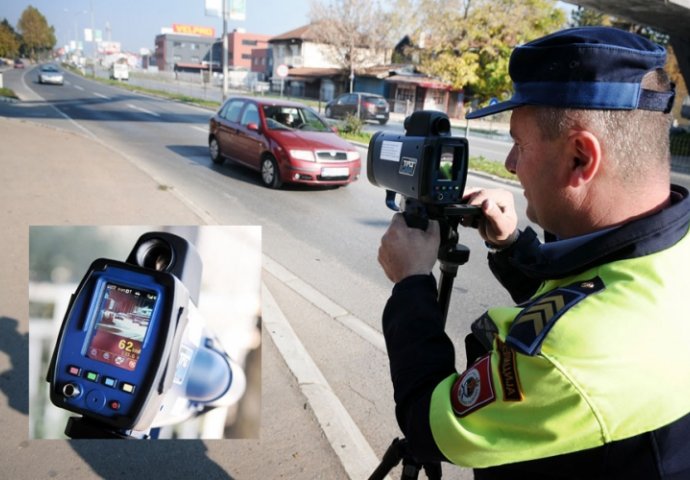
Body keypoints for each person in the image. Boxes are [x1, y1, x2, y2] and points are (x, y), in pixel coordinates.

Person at [377, 26, 690, 479]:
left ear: (581, 158)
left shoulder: (570, 354)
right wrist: (514, 247)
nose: (509, 163)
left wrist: (411, 284)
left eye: (519, 144)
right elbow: (589, 293)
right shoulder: (671, 251)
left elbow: (429, 425)